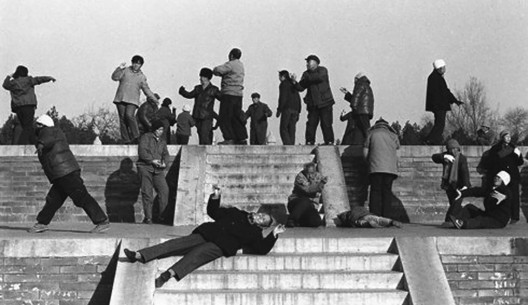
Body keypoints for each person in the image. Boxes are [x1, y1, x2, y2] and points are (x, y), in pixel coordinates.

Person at [123, 187, 286, 288]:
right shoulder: (236, 212)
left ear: (262, 226)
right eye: (262, 215)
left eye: (264, 220)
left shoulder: (255, 233)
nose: (260, 217)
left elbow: (261, 249)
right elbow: (213, 212)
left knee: (197, 255)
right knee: (176, 244)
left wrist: (273, 235)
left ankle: (168, 274)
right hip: (207, 233)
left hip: (221, 246)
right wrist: (215, 197)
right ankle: (139, 255)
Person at [28, 115, 110, 233]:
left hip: (65, 172)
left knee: (81, 196)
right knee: (53, 200)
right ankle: (42, 223)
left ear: (42, 125)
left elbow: (47, 140)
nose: (36, 127)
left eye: (37, 125)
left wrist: (41, 144)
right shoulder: (52, 132)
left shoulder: (48, 131)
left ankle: (102, 221)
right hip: (62, 173)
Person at [2, 65, 56, 144]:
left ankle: (34, 142)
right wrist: (49, 78)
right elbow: (39, 79)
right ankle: (21, 144)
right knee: (27, 127)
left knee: (26, 126)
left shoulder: (13, 83)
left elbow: (5, 85)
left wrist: (10, 75)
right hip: (29, 105)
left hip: (18, 107)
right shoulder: (29, 80)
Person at [112, 55, 159, 144]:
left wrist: (154, 99)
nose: (136, 65)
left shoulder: (141, 77)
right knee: (122, 119)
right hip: (121, 98)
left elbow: (146, 89)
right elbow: (114, 78)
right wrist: (119, 69)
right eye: (134, 63)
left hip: (132, 100)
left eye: (138, 64)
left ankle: (136, 136)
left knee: (129, 115)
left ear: (141, 65)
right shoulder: (125, 71)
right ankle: (126, 140)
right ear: (132, 63)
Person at [480, 130, 524, 224]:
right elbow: (492, 161)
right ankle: (497, 214)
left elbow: (520, 162)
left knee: (514, 196)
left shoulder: (514, 148)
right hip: (500, 176)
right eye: (506, 136)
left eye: (510, 136)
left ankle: (514, 216)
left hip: (512, 176)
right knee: (498, 194)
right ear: (502, 137)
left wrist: (518, 155)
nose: (509, 138)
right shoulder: (495, 148)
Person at [293, 55, 335, 145]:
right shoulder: (306, 74)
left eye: (309, 62)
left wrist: (306, 79)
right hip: (313, 104)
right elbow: (301, 87)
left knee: (326, 123)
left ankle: (329, 141)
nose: (307, 64)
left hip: (325, 102)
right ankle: (309, 141)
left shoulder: (323, 70)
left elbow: (318, 78)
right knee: (311, 124)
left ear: (315, 63)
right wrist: (294, 82)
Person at [363, 118, 400, 218]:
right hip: (390, 169)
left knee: (375, 191)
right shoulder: (393, 135)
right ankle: (386, 215)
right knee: (387, 192)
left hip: (375, 167)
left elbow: (365, 152)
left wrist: (368, 162)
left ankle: (375, 215)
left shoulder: (371, 133)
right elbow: (398, 154)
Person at [432, 139, 471, 227]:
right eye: (451, 149)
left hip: (459, 185)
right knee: (453, 204)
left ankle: (449, 220)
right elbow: (434, 157)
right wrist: (444, 157)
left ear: (458, 148)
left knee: (456, 203)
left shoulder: (462, 158)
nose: (453, 151)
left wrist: (465, 185)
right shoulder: (446, 157)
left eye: (455, 149)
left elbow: (464, 171)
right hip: (449, 185)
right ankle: (459, 220)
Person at [137, 120, 170, 224]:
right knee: (147, 192)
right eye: (159, 129)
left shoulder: (162, 141)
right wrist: (152, 160)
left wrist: (165, 162)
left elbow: (165, 153)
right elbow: (142, 152)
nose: (161, 131)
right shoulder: (145, 137)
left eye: (162, 130)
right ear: (155, 129)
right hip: (145, 167)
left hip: (158, 170)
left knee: (164, 191)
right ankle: (148, 218)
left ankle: (162, 216)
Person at [213, 48, 248, 145]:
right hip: (238, 95)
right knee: (236, 117)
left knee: (225, 117)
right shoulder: (241, 65)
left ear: (231, 55)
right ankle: (241, 138)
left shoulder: (231, 64)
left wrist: (214, 70)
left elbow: (219, 70)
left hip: (229, 94)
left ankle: (229, 138)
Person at [424, 59, 463, 145]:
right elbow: (444, 92)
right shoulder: (436, 78)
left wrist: (455, 100)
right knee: (440, 124)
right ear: (440, 68)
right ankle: (431, 139)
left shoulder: (434, 77)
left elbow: (445, 91)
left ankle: (433, 139)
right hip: (439, 105)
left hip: (438, 105)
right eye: (444, 67)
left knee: (439, 123)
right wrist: (454, 100)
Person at [179, 68, 220, 145]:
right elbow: (190, 95)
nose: (200, 78)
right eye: (201, 76)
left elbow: (222, 98)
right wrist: (182, 92)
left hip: (207, 117)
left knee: (205, 137)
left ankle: (207, 154)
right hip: (197, 116)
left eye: (202, 76)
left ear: (207, 78)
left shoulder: (214, 89)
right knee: (201, 136)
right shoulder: (198, 88)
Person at [287, 162, 327, 227]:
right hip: (296, 203)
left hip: (310, 205)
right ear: (305, 171)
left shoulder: (318, 176)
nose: (311, 176)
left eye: (313, 173)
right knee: (305, 201)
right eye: (309, 173)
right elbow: (308, 190)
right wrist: (320, 184)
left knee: (316, 222)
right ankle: (291, 219)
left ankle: (301, 221)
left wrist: (322, 182)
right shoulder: (300, 177)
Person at [340, 72, 374, 145]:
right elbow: (359, 99)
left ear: (356, 79)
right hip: (365, 110)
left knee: (365, 129)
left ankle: (371, 143)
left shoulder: (360, 84)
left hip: (361, 111)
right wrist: (347, 94)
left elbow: (356, 97)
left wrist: (353, 107)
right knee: (362, 129)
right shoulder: (366, 85)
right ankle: (366, 143)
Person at [277, 70, 301, 145]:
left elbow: (283, 97)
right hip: (295, 109)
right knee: (292, 128)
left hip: (287, 109)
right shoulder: (293, 84)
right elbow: (298, 98)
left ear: (283, 77)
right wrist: (299, 111)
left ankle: (288, 145)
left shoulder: (283, 84)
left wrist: (279, 109)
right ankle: (291, 145)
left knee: (283, 128)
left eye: (279, 76)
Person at [336, 206, 403, 228]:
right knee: (378, 219)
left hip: (356, 219)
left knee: (359, 223)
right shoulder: (356, 208)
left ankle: (367, 224)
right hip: (366, 215)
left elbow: (346, 221)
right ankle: (390, 222)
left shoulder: (344, 216)